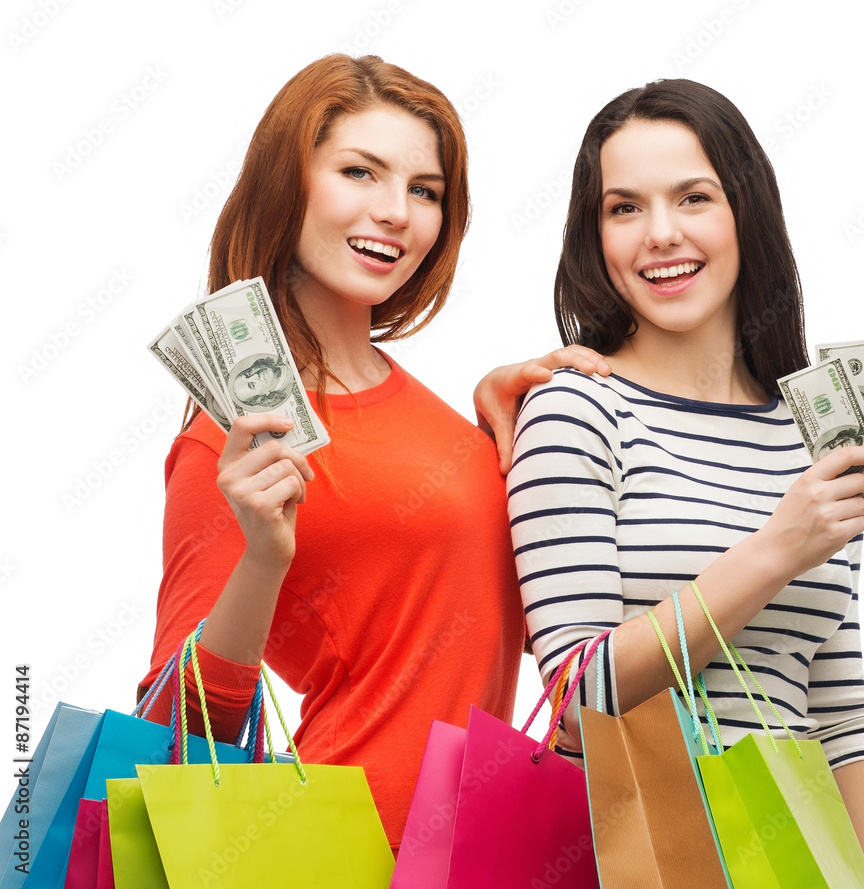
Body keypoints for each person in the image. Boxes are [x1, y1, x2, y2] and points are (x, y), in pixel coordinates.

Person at [137, 52, 608, 853]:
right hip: (341, 850)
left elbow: (539, 635)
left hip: (485, 850)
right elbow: (175, 732)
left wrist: (520, 442)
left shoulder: (450, 424)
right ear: (289, 185)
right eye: (360, 172)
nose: (397, 211)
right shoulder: (232, 438)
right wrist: (262, 558)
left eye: (425, 190)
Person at [506, 79, 864, 885]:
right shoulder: (577, 411)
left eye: (693, 197)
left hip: (790, 860)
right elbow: (580, 695)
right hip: (630, 856)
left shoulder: (812, 430)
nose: (660, 234)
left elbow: (841, 708)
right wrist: (774, 551)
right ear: (595, 236)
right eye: (624, 208)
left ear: (745, 214)